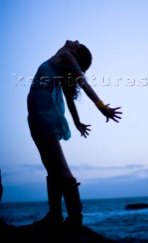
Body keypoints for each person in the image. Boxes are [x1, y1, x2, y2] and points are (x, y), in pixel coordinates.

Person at [27, 40, 122, 230]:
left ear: (75, 53)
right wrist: (77, 122)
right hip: (37, 115)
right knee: (52, 169)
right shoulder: (60, 60)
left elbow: (83, 83)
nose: (76, 41)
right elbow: (69, 98)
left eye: (79, 44)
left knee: (60, 168)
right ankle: (54, 215)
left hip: (44, 114)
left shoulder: (66, 55)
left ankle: (75, 217)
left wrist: (101, 107)